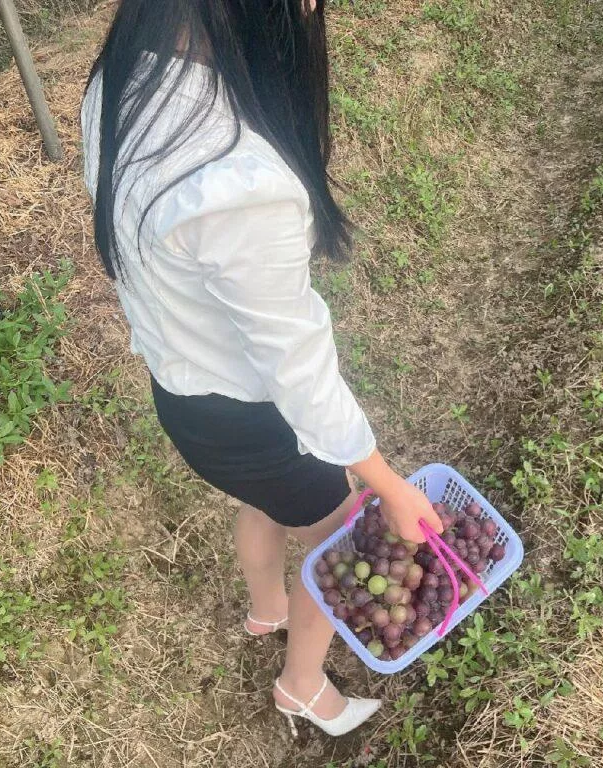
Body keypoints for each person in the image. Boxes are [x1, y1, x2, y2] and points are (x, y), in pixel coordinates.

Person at [80, 0, 443, 737]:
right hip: (255, 419)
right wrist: (387, 484)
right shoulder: (238, 179)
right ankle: (302, 686)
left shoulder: (122, 77)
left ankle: (266, 609)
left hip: (185, 399)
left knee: (268, 500)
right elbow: (299, 372)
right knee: (341, 544)